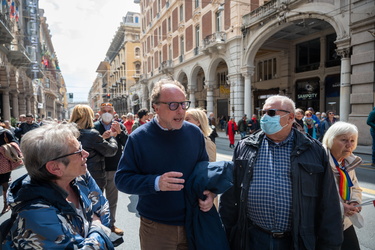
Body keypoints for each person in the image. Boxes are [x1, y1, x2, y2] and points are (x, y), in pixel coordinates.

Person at [219, 95, 343, 250]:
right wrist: (225, 235)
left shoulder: (314, 150)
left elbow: (329, 204)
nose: (264, 117)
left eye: (270, 113)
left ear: (290, 117)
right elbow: (230, 197)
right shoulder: (245, 146)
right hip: (253, 238)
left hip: (296, 240)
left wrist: (330, 245)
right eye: (263, 112)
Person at [115, 79, 215, 250]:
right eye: (173, 105)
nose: (181, 111)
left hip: (193, 221)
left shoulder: (195, 133)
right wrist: (156, 183)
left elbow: (205, 172)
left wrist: (211, 194)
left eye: (184, 104)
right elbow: (122, 180)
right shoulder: (138, 138)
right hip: (156, 227)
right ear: (156, 107)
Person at [2, 123, 113, 249]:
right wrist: (97, 227)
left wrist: (94, 232)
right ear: (55, 167)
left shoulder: (79, 175)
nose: (86, 154)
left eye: (81, 146)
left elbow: (103, 209)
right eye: (78, 152)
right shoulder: (36, 214)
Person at [322, 121, 363, 250]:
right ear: (331, 140)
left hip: (345, 222)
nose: (349, 145)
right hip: (325, 223)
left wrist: (355, 202)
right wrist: (340, 207)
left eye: (352, 140)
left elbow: (355, 186)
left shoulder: (348, 162)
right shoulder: (320, 161)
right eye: (344, 140)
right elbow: (316, 195)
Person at [94, 102, 128, 236]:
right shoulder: (94, 127)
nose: (107, 113)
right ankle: (97, 226)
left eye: (109, 110)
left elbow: (128, 144)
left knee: (112, 200)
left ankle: (111, 224)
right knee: (96, 200)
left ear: (114, 113)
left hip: (114, 168)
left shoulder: (120, 126)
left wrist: (120, 134)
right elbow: (90, 147)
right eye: (104, 110)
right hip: (98, 169)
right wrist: (102, 138)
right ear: (100, 113)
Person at [69, 105, 118, 191]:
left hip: (70, 178)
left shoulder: (66, 133)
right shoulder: (91, 134)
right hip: (91, 179)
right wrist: (112, 138)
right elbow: (111, 150)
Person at [0, 126, 21, 215]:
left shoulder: (5, 132)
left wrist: (3, 148)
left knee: (4, 183)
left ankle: (6, 204)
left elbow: (15, 142)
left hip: (4, 162)